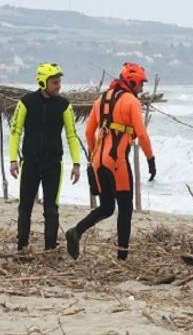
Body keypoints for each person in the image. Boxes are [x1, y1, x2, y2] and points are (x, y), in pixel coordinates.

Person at [65, 62, 157, 261]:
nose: (142, 88)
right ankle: (122, 257)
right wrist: (151, 159)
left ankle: (76, 231)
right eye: (141, 84)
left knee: (107, 207)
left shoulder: (101, 99)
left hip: (98, 160)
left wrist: (93, 154)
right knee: (125, 209)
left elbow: (89, 132)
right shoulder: (132, 102)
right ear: (132, 82)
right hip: (117, 162)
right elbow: (141, 134)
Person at [9, 62, 81, 252]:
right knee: (25, 206)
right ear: (43, 83)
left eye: (59, 82)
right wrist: (13, 160)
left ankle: (50, 248)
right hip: (30, 163)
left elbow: (72, 135)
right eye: (55, 82)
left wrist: (76, 163)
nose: (59, 86)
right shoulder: (25, 103)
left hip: (53, 164)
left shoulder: (64, 106)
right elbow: (15, 132)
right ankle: (22, 246)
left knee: (51, 208)